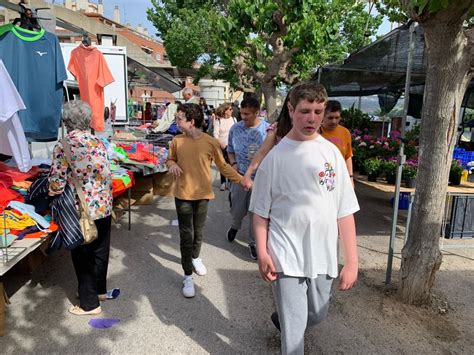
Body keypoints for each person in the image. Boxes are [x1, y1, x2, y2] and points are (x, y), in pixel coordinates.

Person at [249, 82, 359, 354]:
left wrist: (352, 262)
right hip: (285, 253)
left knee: (318, 314)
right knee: (295, 337)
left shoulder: (332, 154)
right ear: (291, 109)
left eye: (318, 111)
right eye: (305, 111)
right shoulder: (274, 159)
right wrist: (263, 252)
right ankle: (290, 323)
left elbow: (344, 211)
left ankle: (285, 319)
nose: (312, 118)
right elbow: (260, 213)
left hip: (322, 253)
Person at [167, 103, 243, 298]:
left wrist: (241, 180)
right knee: (186, 234)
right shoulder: (176, 141)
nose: (177, 122)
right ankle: (187, 276)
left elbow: (223, 166)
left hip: (203, 194)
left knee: (198, 232)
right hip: (182, 194)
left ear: (191, 122)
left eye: (180, 119)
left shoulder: (211, 142)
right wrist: (172, 164)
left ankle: (195, 257)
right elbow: (170, 159)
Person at [48, 100, 113, 316]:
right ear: (86, 121)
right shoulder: (99, 142)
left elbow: (56, 182)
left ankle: (89, 304)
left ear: (66, 122)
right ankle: (100, 291)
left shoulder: (64, 145)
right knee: (100, 249)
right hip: (103, 203)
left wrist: (50, 190)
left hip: (81, 208)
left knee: (82, 254)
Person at [226, 97, 269, 260]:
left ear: (257, 112)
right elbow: (230, 150)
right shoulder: (235, 129)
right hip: (239, 176)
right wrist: (234, 163)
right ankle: (235, 226)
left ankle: (253, 243)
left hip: (260, 180)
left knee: (255, 213)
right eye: (242, 113)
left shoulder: (267, 130)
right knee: (237, 210)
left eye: (247, 114)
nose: (243, 117)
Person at [320, 100, 354, 180]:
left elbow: (348, 156)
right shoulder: (316, 131)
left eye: (337, 117)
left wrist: (350, 177)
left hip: (340, 177)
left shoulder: (345, 132)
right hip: (321, 177)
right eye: (330, 118)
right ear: (322, 116)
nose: (334, 121)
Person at [213, 103, 237, 191]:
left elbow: (237, 132)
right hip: (221, 146)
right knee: (222, 164)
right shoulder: (218, 120)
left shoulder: (234, 119)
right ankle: (223, 182)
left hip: (232, 146)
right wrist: (221, 143)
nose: (232, 111)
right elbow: (215, 133)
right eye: (230, 109)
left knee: (231, 164)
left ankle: (231, 182)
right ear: (225, 110)